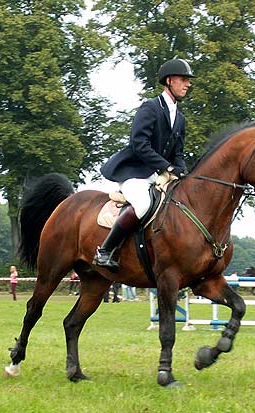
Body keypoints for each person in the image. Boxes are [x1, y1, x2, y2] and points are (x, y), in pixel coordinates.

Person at [93, 58, 195, 271]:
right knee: (144, 205)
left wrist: (183, 172)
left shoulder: (180, 118)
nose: (188, 84)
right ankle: (105, 250)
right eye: (183, 79)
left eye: (188, 80)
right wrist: (166, 167)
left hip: (160, 175)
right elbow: (139, 144)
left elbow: (178, 153)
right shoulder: (150, 107)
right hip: (136, 172)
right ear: (169, 81)